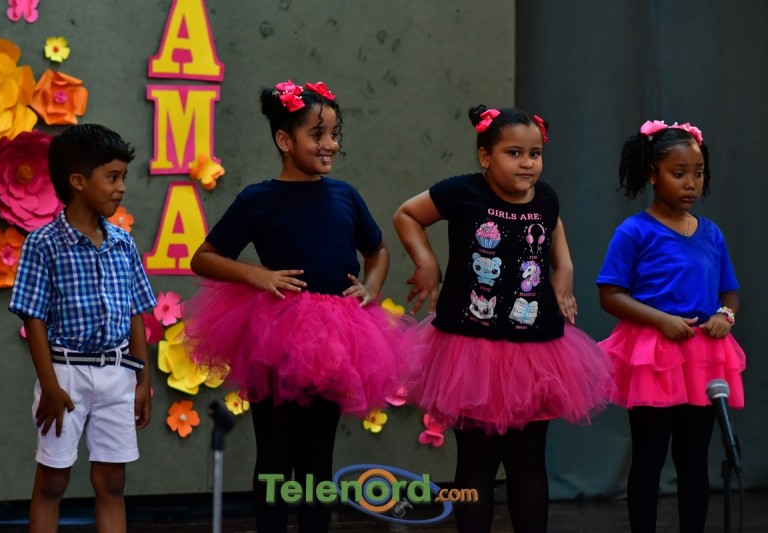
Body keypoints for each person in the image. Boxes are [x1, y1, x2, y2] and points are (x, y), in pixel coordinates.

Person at [183, 80, 409, 533]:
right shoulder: (258, 199)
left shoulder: (344, 195)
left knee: (317, 456)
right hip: (278, 335)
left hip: (336, 338)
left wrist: (371, 286)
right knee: (274, 453)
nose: (330, 144)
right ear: (285, 141)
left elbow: (378, 249)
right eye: (317, 134)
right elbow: (203, 258)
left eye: (333, 134)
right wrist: (257, 275)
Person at [394, 106, 612, 533]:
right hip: (471, 349)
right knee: (476, 461)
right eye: (514, 153)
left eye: (535, 153)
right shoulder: (462, 192)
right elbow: (408, 214)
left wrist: (564, 267)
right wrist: (427, 263)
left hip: (536, 350)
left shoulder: (545, 196)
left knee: (528, 460)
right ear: (485, 156)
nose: (527, 163)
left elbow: (552, 224)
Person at [597, 120, 746, 533]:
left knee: (694, 459)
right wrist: (661, 320)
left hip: (702, 357)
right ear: (652, 174)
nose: (691, 183)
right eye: (678, 173)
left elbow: (729, 293)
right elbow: (610, 295)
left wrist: (725, 316)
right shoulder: (634, 231)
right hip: (653, 356)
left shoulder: (711, 233)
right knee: (649, 458)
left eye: (698, 173)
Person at [9, 124, 156, 533]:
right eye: (112, 177)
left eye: (123, 177)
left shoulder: (123, 243)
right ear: (78, 181)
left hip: (117, 373)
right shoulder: (43, 244)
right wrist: (50, 386)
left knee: (112, 481)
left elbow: (136, 313)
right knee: (53, 480)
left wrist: (142, 379)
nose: (121, 187)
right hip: (65, 375)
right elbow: (34, 319)